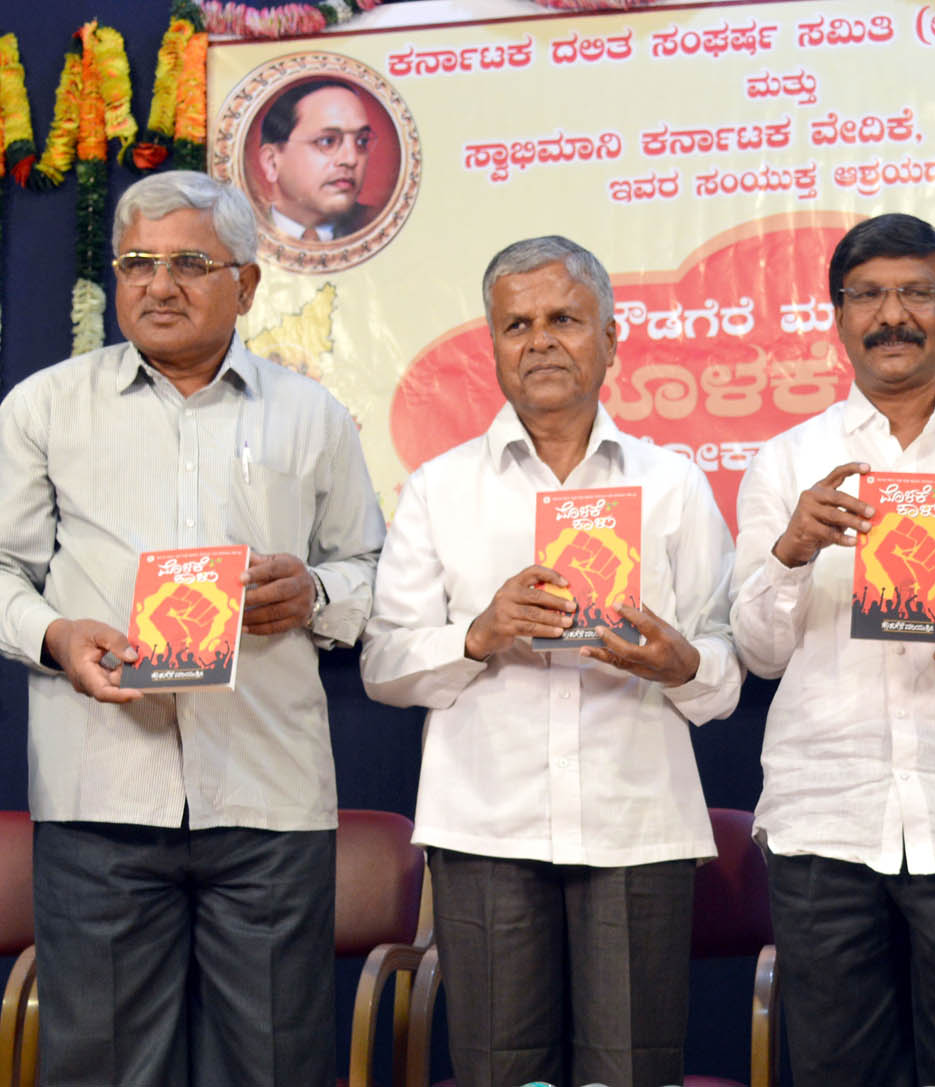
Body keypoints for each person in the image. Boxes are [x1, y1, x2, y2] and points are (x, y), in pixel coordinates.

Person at [0, 171, 384, 1086]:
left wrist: (313, 592)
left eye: (188, 264)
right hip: (101, 796)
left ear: (246, 285)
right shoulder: (44, 406)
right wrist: (57, 636)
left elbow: (370, 571)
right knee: (102, 1068)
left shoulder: (313, 415)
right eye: (137, 262)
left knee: (274, 1065)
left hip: (267, 795)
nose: (158, 285)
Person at [359, 235, 741, 1087]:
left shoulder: (673, 484)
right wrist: (479, 633)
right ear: (493, 344)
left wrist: (679, 663)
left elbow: (723, 668)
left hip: (636, 822)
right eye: (517, 324)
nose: (539, 341)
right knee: (503, 1073)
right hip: (484, 826)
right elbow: (383, 662)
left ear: (610, 339)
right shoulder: (439, 487)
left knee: (631, 1071)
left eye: (564, 319)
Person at [730, 213, 935, 1087]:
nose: (893, 315)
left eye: (916, 292)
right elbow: (757, 652)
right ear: (837, 313)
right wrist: (792, 549)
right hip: (825, 816)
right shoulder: (786, 461)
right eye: (868, 295)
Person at [257, 79, 379, 241]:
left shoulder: (383, 227)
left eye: (361, 141)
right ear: (272, 162)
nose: (351, 159)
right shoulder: (237, 231)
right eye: (327, 141)